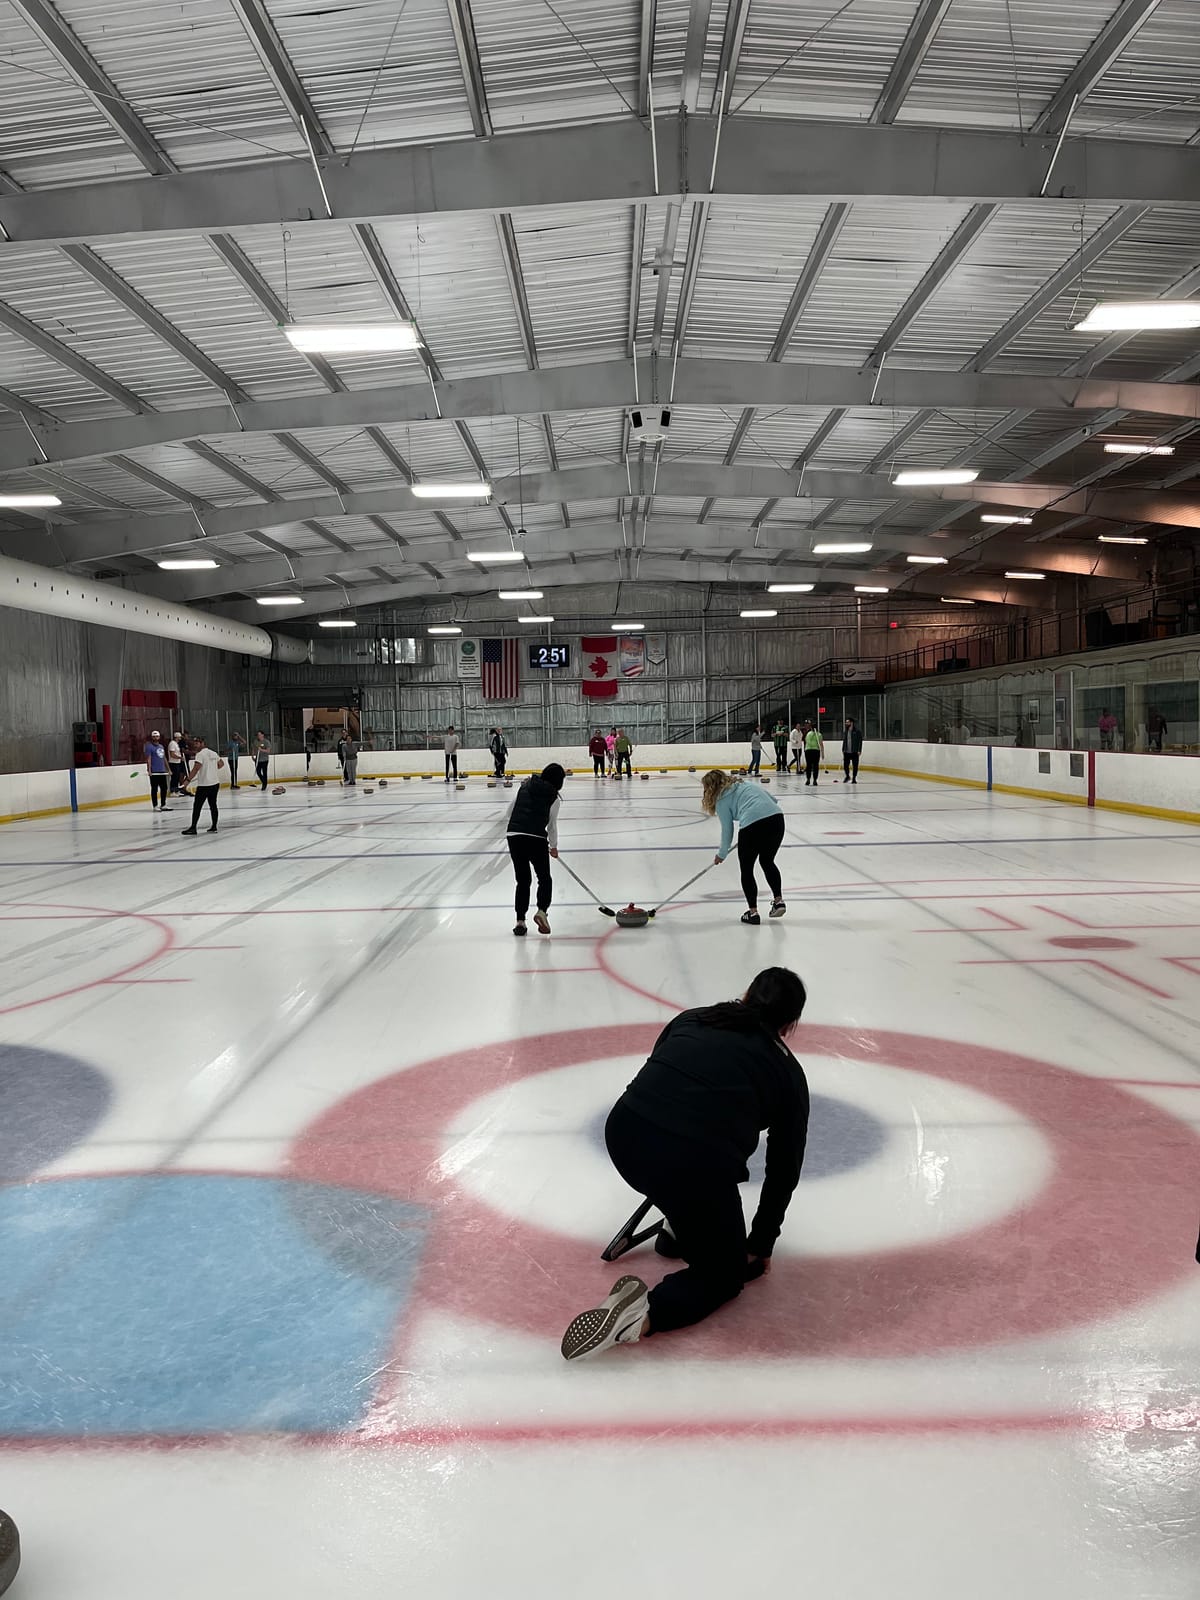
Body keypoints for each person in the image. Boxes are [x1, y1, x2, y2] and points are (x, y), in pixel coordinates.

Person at [560, 967, 809, 1361]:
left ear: (746, 994)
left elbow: (662, 1075)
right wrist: (761, 1242)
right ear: (790, 1024)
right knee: (724, 1276)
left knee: (681, 1170)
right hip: (691, 1168)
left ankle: (678, 1225)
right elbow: (783, 1169)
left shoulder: (694, 1018)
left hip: (624, 1136)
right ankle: (639, 1317)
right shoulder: (788, 1074)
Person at [703, 769, 786, 924]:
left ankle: (753, 913)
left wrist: (722, 854)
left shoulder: (721, 799)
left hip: (752, 825)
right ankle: (779, 901)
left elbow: (727, 830)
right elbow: (772, 800)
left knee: (747, 869)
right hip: (776, 819)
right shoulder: (744, 784)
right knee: (767, 861)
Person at [506, 763, 565, 937]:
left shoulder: (525, 786)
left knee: (523, 880)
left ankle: (520, 922)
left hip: (514, 835)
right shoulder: (554, 797)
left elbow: (509, 812)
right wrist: (553, 846)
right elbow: (551, 825)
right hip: (536, 838)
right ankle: (542, 911)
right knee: (544, 878)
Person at [180, 736, 226, 836]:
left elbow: (196, 768)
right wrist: (212, 769)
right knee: (213, 805)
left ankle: (193, 827)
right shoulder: (213, 753)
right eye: (195, 743)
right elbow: (221, 764)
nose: (195, 745)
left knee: (197, 806)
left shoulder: (200, 754)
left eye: (197, 743)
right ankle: (214, 826)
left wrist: (187, 781)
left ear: (202, 743)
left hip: (204, 785)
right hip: (214, 783)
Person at [144, 729, 169, 812]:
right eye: (154, 736)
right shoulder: (149, 747)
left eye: (157, 736)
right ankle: (155, 805)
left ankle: (163, 804)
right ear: (152, 737)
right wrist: (149, 770)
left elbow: (164, 758)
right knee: (154, 789)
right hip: (154, 771)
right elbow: (149, 759)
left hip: (162, 771)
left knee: (164, 788)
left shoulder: (161, 746)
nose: (155, 738)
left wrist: (168, 769)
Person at [841, 717, 863, 784]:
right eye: (846, 722)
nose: (846, 723)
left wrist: (859, 750)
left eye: (847, 722)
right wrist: (843, 749)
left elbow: (860, 741)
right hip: (846, 751)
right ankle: (847, 776)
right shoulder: (846, 731)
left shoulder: (857, 731)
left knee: (855, 765)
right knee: (845, 765)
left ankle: (854, 778)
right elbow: (844, 741)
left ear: (851, 723)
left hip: (855, 751)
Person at [803, 722, 824, 786]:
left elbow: (806, 741)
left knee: (809, 765)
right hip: (815, 751)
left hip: (808, 751)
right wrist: (822, 753)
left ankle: (808, 779)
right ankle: (814, 780)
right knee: (815, 766)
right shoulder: (819, 734)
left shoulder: (808, 734)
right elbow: (821, 744)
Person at [167, 731, 188, 797]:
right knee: (174, 778)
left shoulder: (176, 744)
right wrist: (180, 757)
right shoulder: (172, 744)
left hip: (177, 763)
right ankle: (172, 791)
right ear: (176, 737)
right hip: (173, 763)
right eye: (179, 737)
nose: (180, 739)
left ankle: (176, 790)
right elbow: (172, 754)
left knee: (177, 777)